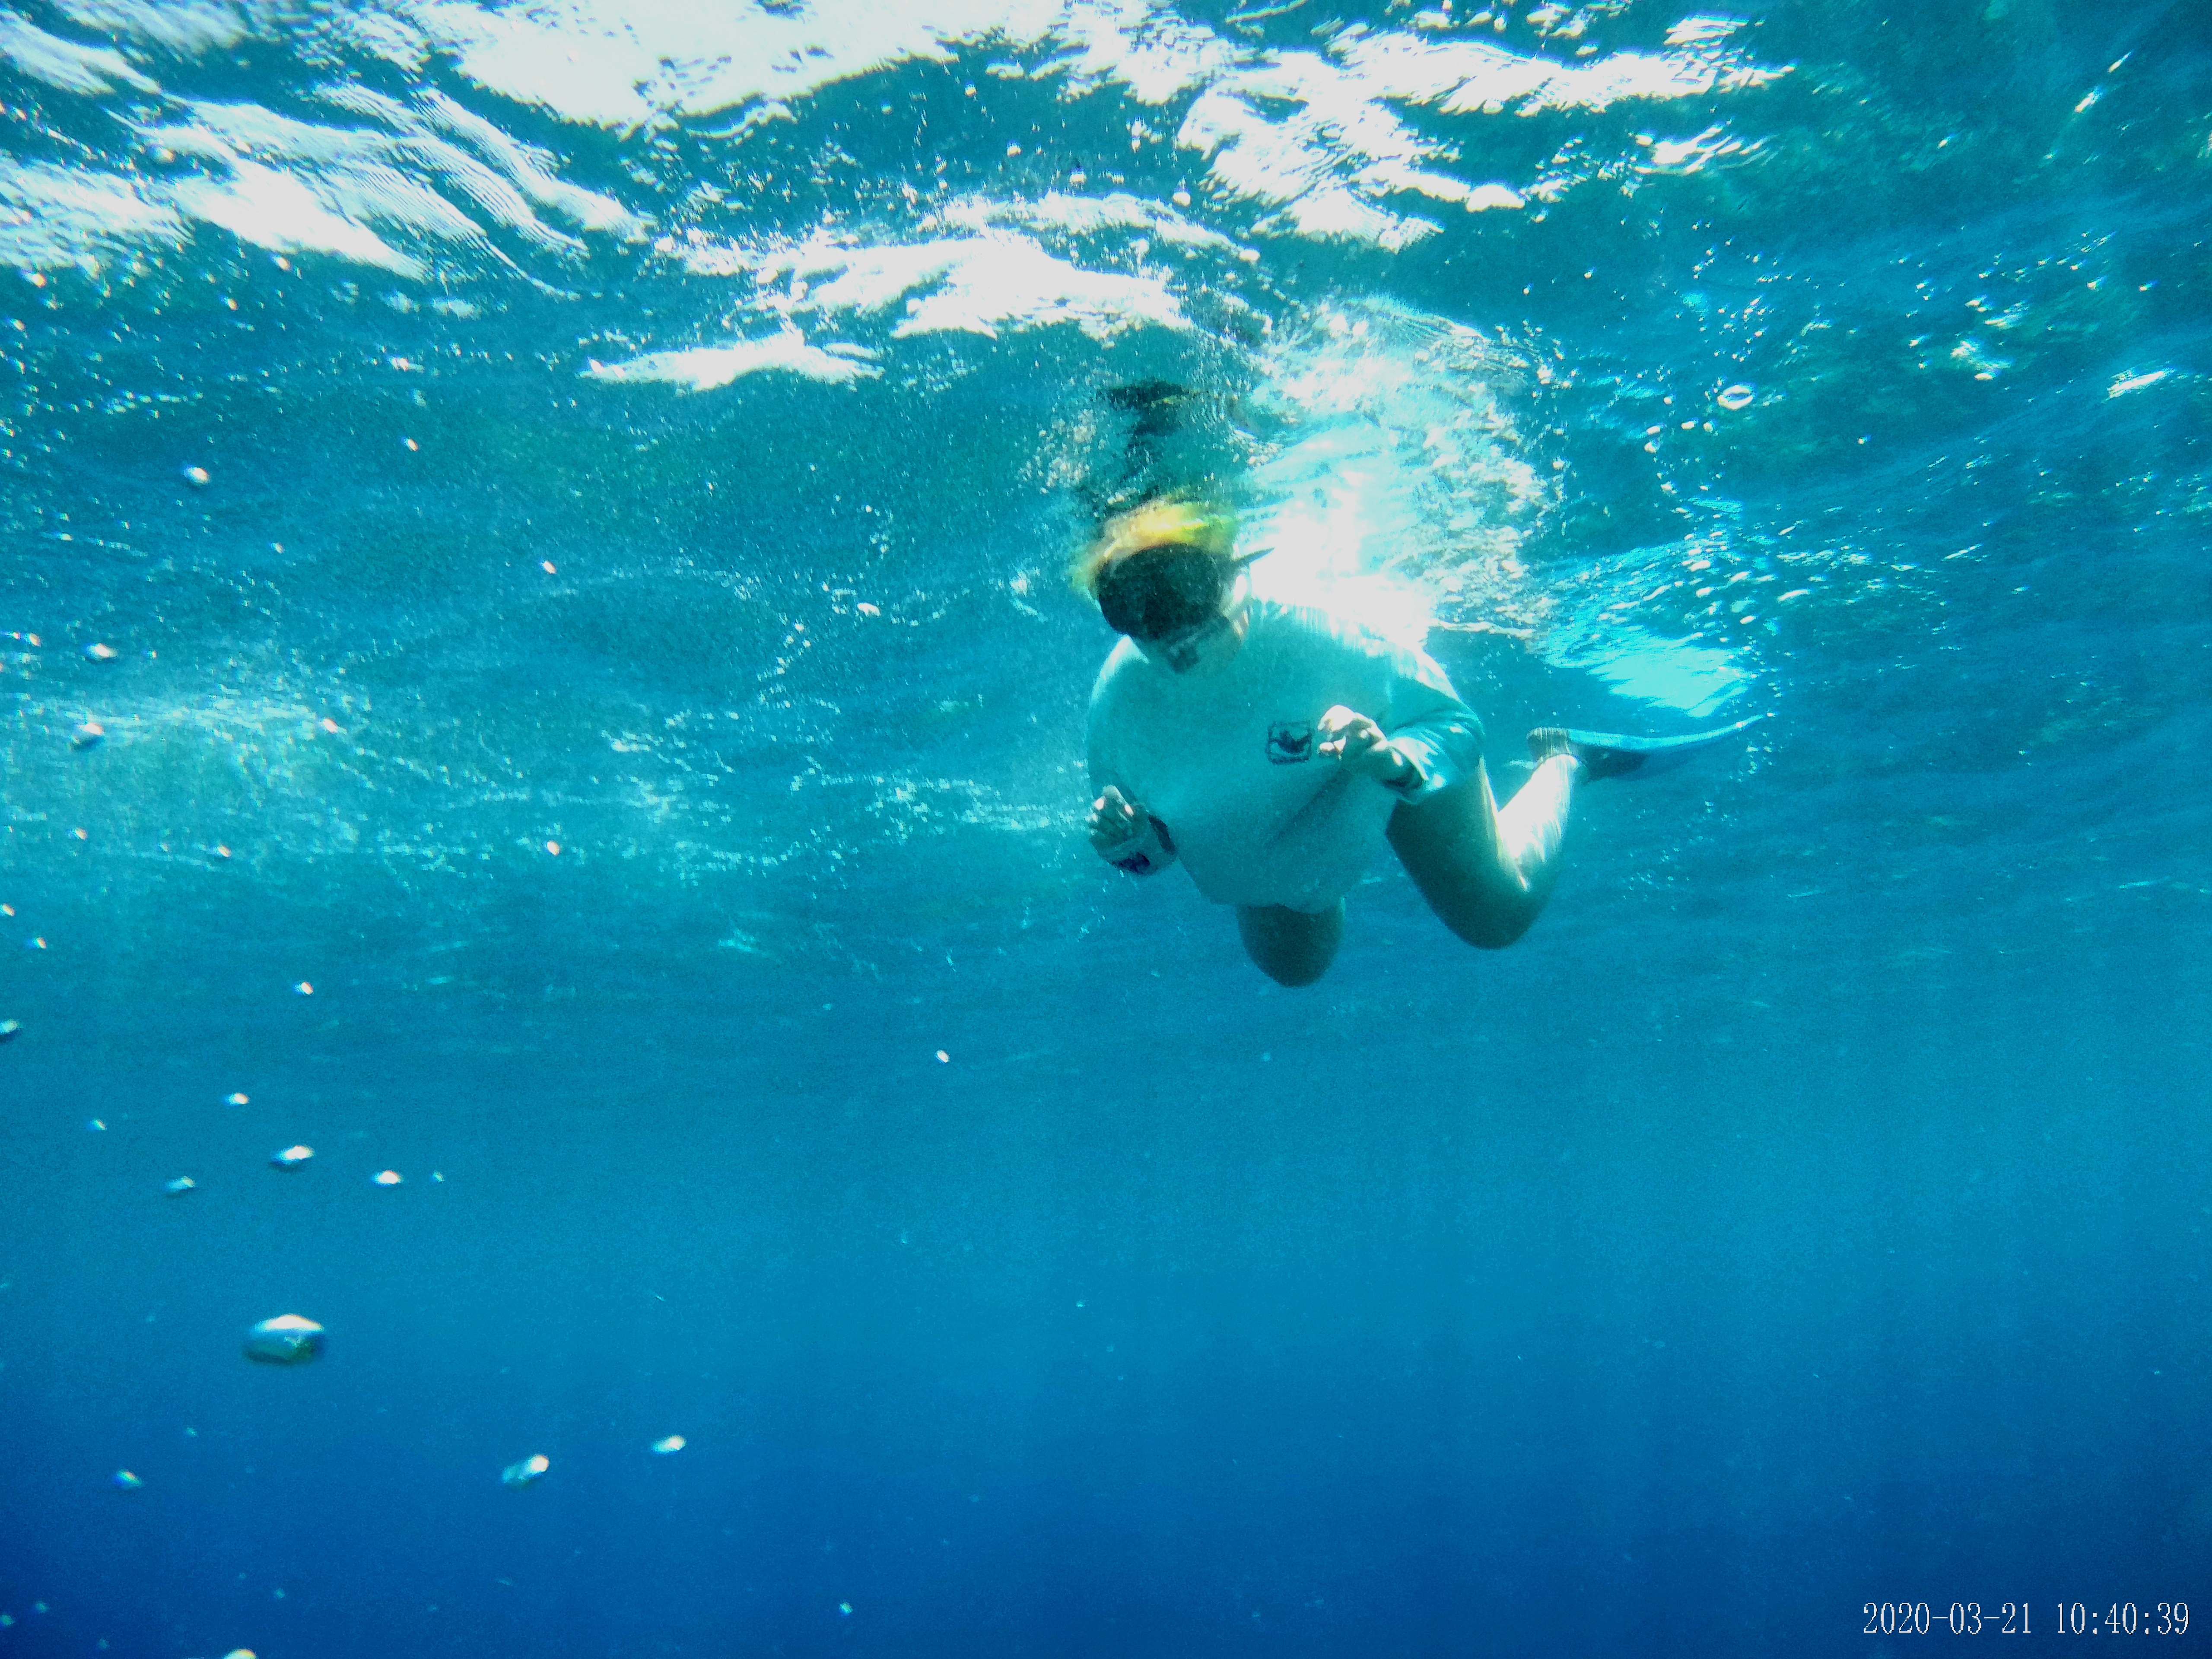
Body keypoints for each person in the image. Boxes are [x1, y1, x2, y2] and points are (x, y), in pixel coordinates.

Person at [1076, 496, 1658, 987]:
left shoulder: (1323, 632)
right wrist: (1131, 842)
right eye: (1133, 605)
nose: (1169, 628)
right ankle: (1322, 860)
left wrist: (1396, 762)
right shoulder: (1117, 707)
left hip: (1394, 764)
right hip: (1283, 838)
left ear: (1231, 571)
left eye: (1182, 586)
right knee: (1294, 967)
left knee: (1495, 916)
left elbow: (1455, 726)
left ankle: (1564, 760)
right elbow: (1152, 854)